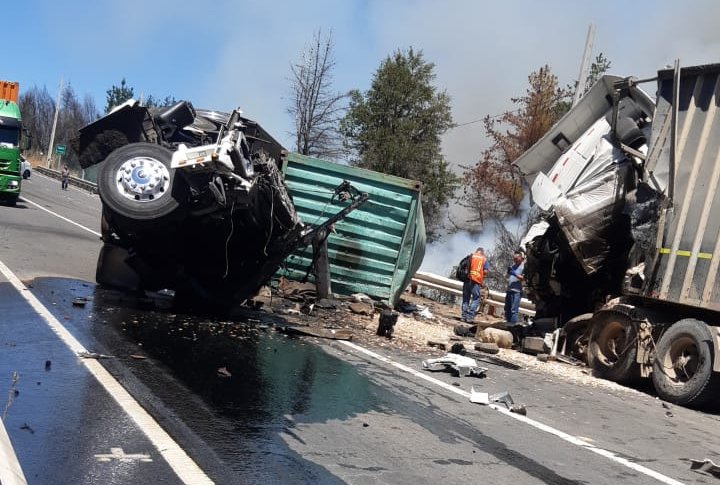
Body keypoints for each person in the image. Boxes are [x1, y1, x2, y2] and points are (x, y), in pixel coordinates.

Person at [461, 247, 489, 323]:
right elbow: (485, 271)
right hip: (476, 281)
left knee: (466, 298)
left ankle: (464, 316)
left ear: (476, 251)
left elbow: (464, 266)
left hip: (467, 279)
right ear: (482, 253)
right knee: (476, 298)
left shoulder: (471, 256)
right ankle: (470, 317)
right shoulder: (484, 259)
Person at [505, 250, 525, 340]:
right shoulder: (513, 266)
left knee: (514, 310)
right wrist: (509, 272)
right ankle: (508, 325)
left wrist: (514, 273)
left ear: (521, 258)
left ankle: (512, 328)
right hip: (509, 290)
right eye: (514, 259)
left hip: (517, 291)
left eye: (517, 259)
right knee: (507, 308)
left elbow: (524, 278)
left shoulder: (524, 266)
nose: (515, 261)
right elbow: (507, 277)